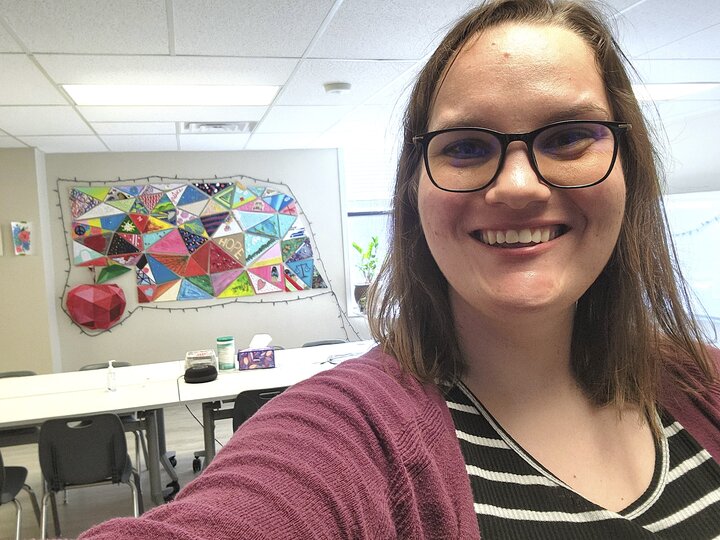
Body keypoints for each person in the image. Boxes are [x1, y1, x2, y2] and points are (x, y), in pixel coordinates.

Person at [80, 0, 720, 538]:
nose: (519, 186)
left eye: (567, 137)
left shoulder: (705, 381)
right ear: (413, 191)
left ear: (629, 168)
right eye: (466, 146)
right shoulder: (349, 436)